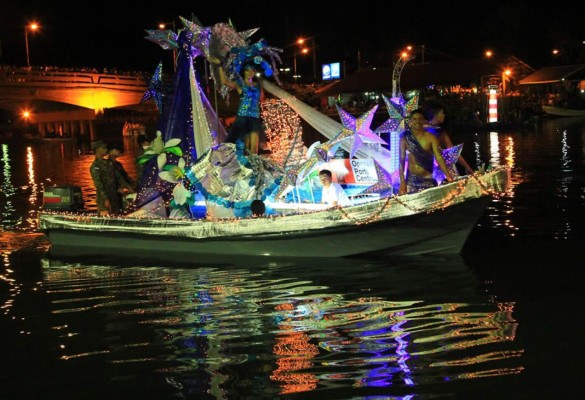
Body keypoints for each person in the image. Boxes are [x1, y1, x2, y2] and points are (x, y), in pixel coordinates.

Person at [398, 109, 454, 195]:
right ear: (410, 121)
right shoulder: (405, 139)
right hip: (411, 181)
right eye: (415, 119)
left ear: (424, 121)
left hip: (428, 179)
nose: (417, 121)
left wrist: (448, 176)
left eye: (420, 119)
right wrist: (402, 182)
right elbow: (401, 161)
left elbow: (438, 157)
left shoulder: (432, 138)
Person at [219, 63, 265, 155]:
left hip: (254, 118)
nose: (250, 72)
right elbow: (224, 81)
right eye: (247, 70)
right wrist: (220, 66)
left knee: (254, 148)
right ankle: (245, 165)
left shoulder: (257, 85)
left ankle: (253, 167)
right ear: (244, 72)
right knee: (246, 146)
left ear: (255, 72)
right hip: (242, 118)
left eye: (252, 70)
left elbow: (262, 99)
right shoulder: (239, 84)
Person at [422, 99, 474, 176]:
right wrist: (467, 167)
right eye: (442, 113)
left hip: (428, 169)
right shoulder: (439, 132)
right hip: (443, 168)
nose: (444, 115)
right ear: (436, 115)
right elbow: (453, 152)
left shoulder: (422, 129)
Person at [89, 140, 134, 216]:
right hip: (104, 198)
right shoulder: (95, 166)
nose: (106, 149)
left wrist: (128, 186)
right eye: (103, 148)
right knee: (106, 218)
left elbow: (118, 177)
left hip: (114, 196)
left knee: (117, 215)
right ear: (97, 150)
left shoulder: (109, 163)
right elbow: (99, 185)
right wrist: (105, 199)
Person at [108, 145, 136, 210]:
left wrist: (132, 183)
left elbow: (124, 175)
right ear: (110, 152)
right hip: (114, 191)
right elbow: (110, 179)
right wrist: (118, 187)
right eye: (116, 150)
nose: (119, 151)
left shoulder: (118, 164)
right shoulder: (107, 164)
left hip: (122, 190)